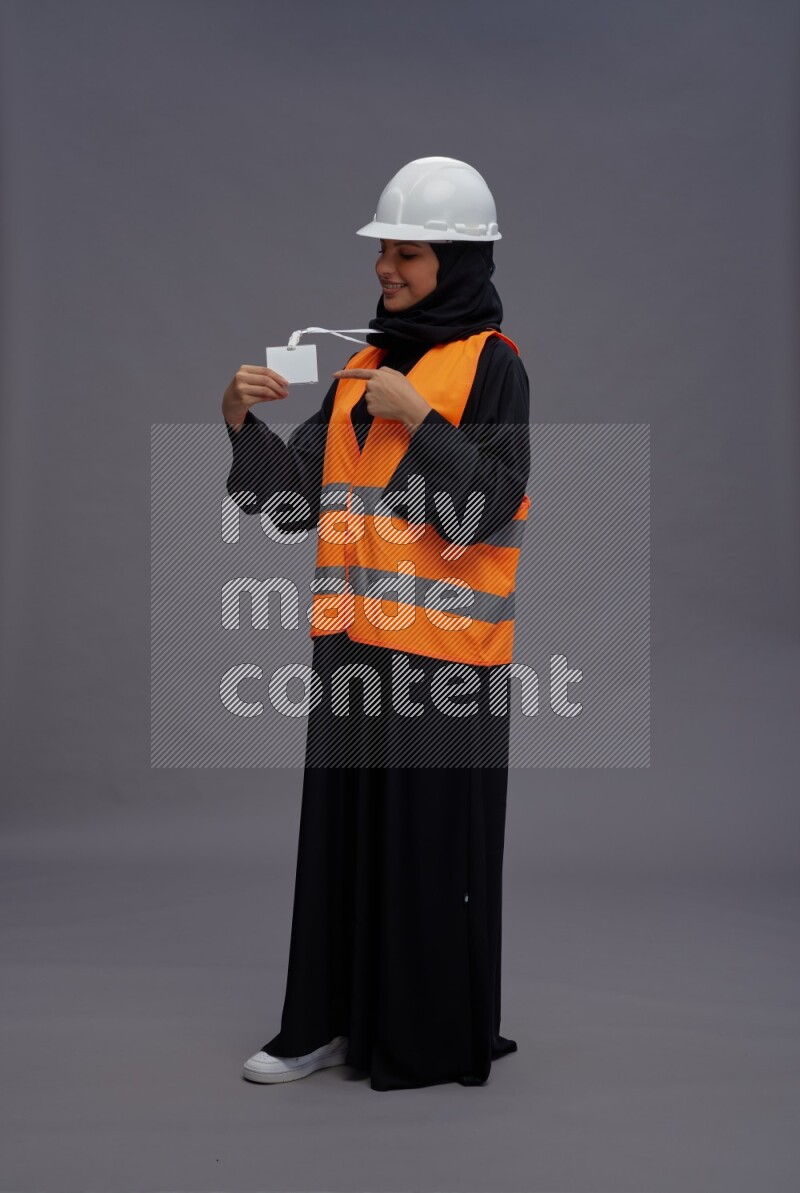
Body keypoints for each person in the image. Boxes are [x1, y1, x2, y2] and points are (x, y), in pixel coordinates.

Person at [222, 157, 531, 1091]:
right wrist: (237, 420)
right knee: (342, 844)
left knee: (427, 858)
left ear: (460, 260)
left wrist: (423, 418)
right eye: (384, 253)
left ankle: (423, 1036)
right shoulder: (361, 366)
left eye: (406, 254)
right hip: (354, 651)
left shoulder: (494, 367)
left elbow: (487, 510)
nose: (386, 270)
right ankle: (321, 1025)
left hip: (446, 662)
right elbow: (294, 506)